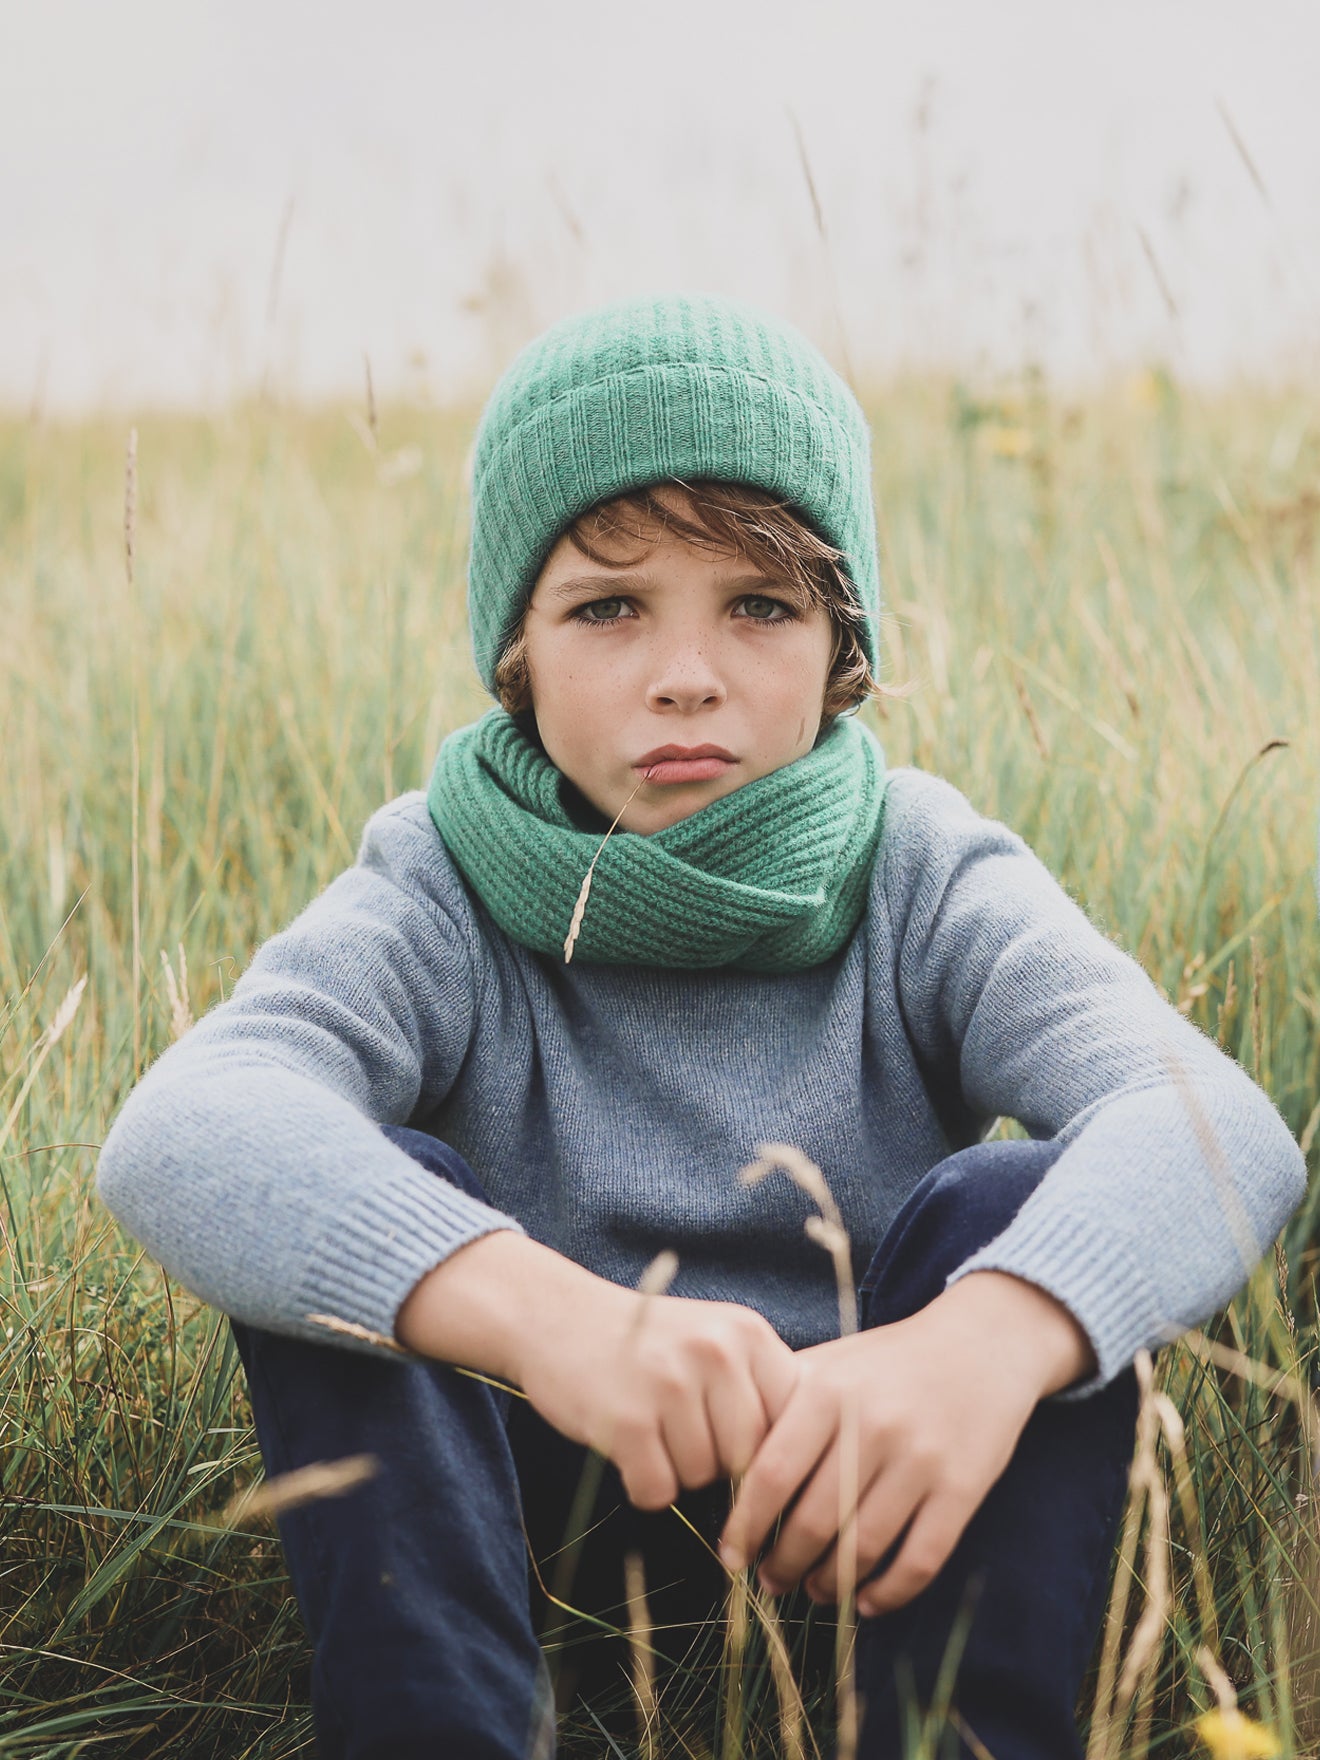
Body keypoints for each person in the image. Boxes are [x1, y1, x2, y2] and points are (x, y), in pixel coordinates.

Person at [96, 293, 1306, 1760]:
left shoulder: (918, 867)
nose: (688, 673)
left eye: (760, 605)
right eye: (609, 607)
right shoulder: (440, 879)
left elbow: (1213, 1122)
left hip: (884, 1505)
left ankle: (955, 1741)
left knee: (1021, 1204)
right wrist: (556, 1322)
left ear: (841, 644)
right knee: (362, 1195)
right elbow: (184, 1126)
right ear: (518, 653)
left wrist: (986, 1343)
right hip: (539, 1513)